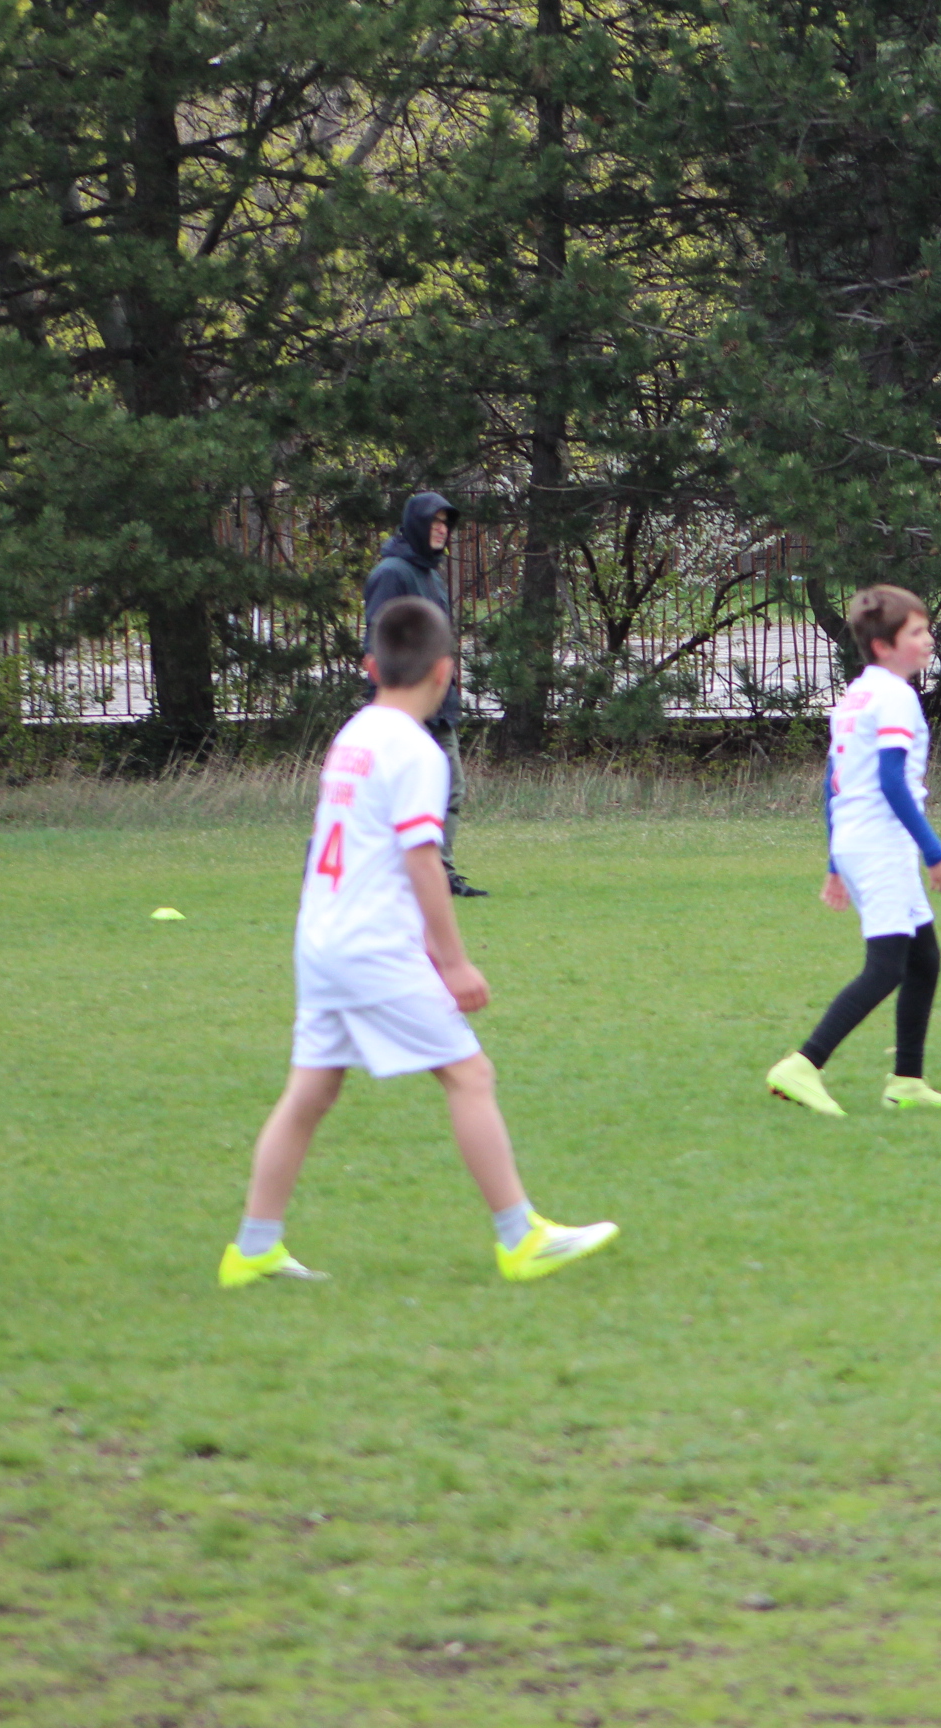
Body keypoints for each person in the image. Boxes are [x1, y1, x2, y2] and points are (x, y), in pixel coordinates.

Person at [219, 596, 619, 1287]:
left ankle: (252, 1249)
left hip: (321, 937)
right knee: (469, 1074)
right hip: (369, 946)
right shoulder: (415, 750)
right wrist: (453, 962)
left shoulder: (355, 735)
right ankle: (520, 1237)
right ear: (446, 671)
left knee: (312, 1089)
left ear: (373, 667)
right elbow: (421, 859)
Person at [766, 586, 941, 1115]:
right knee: (886, 967)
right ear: (883, 646)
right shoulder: (895, 696)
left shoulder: (857, 695)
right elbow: (891, 781)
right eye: (917, 633)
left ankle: (907, 1081)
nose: (928, 640)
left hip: (859, 841)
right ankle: (803, 1064)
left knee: (923, 959)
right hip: (881, 844)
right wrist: (934, 851)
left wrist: (836, 861)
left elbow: (834, 781)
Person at [364, 493, 485, 897]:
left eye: (446, 523)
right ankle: (406, 875)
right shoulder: (392, 573)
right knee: (406, 795)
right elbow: (379, 640)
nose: (441, 529)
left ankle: (440, 873)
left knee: (450, 787)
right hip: (406, 708)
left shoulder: (431, 575)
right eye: (434, 521)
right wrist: (394, 702)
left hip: (438, 704)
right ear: (415, 524)